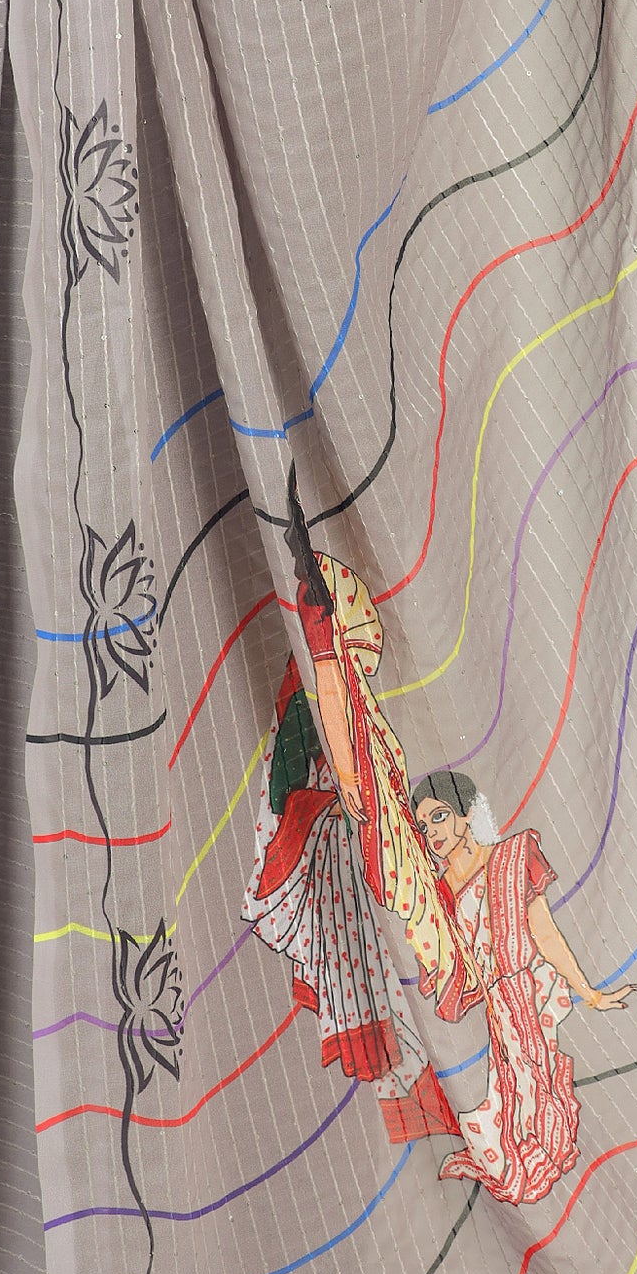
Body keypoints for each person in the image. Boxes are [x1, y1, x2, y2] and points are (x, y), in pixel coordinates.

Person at [240, 472, 463, 1141]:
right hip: (342, 812)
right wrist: (356, 792)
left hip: (354, 794)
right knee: (378, 957)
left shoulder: (325, 609)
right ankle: (426, 1108)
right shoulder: (317, 631)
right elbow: (332, 700)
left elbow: (338, 693)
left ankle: (435, 1097)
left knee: (387, 955)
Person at [411, 768, 635, 1205]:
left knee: (537, 1080)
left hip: (529, 992)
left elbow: (545, 932)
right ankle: (514, 1162)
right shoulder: (439, 895)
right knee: (511, 1089)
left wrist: (590, 993)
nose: (432, 832)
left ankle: (539, 1159)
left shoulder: (510, 859)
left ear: (464, 813)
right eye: (423, 826)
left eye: (439, 817)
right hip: (497, 1008)